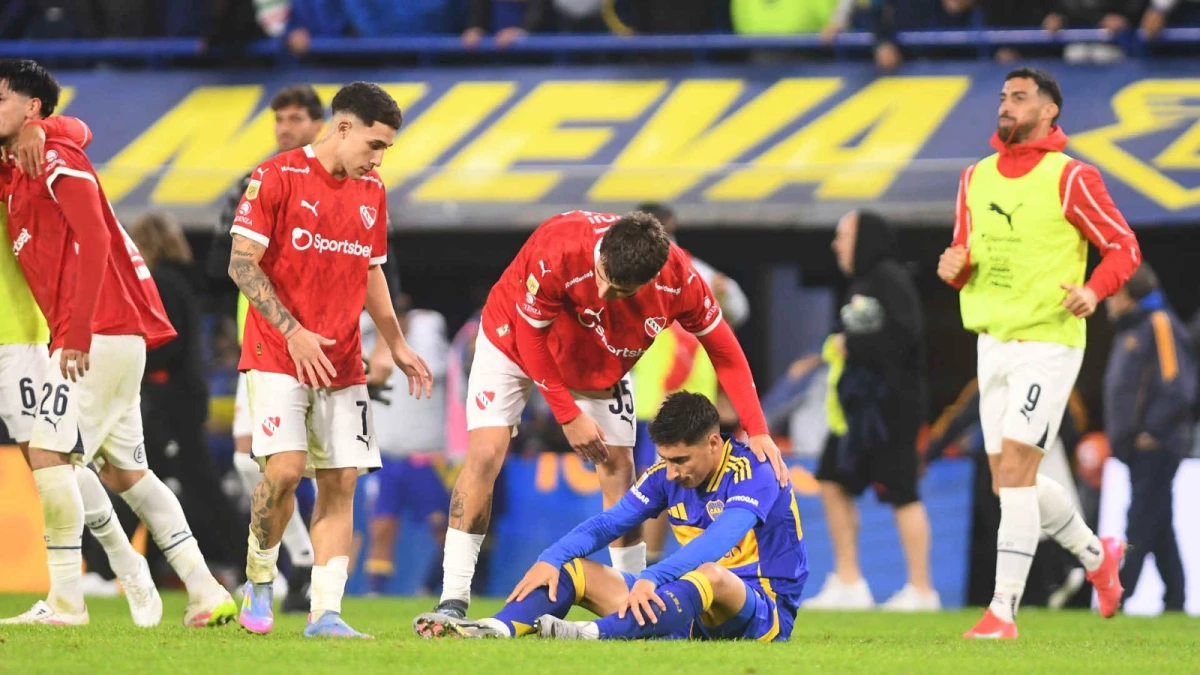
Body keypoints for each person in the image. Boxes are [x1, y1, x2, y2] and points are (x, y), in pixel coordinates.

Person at [431, 209, 787, 621]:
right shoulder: (559, 246)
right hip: (512, 341)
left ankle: (632, 601)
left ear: (651, 280)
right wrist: (567, 414)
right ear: (602, 251)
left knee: (618, 467)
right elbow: (532, 337)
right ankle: (452, 598)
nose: (602, 294)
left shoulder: (682, 281)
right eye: (601, 276)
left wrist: (757, 429)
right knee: (486, 454)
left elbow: (725, 351)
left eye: (618, 290)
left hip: (600, 361)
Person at [0, 59, 234, 627]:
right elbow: (74, 127)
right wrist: (46, 127)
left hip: (97, 332)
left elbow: (97, 232)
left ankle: (66, 602)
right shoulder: (19, 166)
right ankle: (204, 590)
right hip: (111, 337)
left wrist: (77, 331)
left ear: (31, 107)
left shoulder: (53, 157)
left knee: (49, 454)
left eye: (1, 98)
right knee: (130, 473)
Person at [937, 67, 1141, 639]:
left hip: (1047, 342)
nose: (1007, 105)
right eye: (1004, 97)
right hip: (992, 341)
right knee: (1008, 482)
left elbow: (1123, 246)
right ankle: (1099, 558)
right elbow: (964, 250)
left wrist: (1094, 290)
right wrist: (954, 267)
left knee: (1020, 472)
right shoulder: (974, 177)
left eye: (1020, 97)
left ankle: (1003, 611)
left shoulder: (1072, 178)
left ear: (1050, 111)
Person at [228, 81, 433, 639]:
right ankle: (260, 578)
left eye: (385, 148)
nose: (378, 158)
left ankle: (326, 612)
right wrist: (292, 331)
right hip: (277, 351)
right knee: (287, 470)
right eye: (374, 145)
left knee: (341, 479)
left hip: (341, 359)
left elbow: (371, 271)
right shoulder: (276, 177)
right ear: (342, 128)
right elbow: (242, 265)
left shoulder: (373, 190)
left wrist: (395, 343)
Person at [414, 391, 807, 642]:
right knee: (572, 569)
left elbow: (719, 541)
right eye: (665, 459)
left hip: (761, 612)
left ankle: (588, 634)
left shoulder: (757, 470)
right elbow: (607, 523)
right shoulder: (666, 475)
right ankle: (495, 629)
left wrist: (651, 577)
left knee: (711, 574)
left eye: (681, 460)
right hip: (686, 609)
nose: (671, 472)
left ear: (714, 442)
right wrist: (551, 556)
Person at [0, 111, 163, 626]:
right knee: (52, 460)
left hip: (17, 335)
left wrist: (41, 128)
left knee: (49, 459)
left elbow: (77, 128)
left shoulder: (17, 158)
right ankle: (123, 565)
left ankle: (118, 566)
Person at [208, 83, 325, 613]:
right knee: (248, 460)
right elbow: (220, 263)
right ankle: (296, 562)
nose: (285, 129)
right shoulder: (252, 182)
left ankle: (305, 571)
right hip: (260, 341)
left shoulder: (342, 183)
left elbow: (373, 266)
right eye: (279, 119)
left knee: (309, 466)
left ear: (320, 124)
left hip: (318, 343)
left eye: (296, 119)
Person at [804, 209, 938, 611]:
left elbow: (905, 336)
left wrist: (852, 345)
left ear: (864, 239)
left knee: (902, 492)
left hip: (890, 408)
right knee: (831, 479)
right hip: (855, 411)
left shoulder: (890, 278)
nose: (836, 244)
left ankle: (922, 590)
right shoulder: (860, 283)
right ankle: (849, 582)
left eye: (843, 235)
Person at [631, 202, 750, 566]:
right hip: (659, 396)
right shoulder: (695, 270)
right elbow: (738, 309)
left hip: (667, 397)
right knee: (674, 481)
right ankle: (687, 562)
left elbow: (686, 336)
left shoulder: (676, 268)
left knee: (662, 483)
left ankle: (655, 565)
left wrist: (673, 382)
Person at [130, 212, 245, 578]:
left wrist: (131, 359)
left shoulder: (161, 282)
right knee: (151, 484)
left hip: (170, 399)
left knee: (173, 488)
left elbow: (167, 343)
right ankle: (131, 568)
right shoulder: (180, 280)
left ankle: (253, 567)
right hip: (181, 396)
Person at [1103, 263, 1195, 612]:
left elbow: (1177, 385)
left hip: (1158, 444)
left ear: (1127, 295)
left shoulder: (1159, 323)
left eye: (1112, 290)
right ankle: (1175, 600)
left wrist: (1151, 432)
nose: (1107, 298)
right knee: (1158, 522)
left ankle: (1118, 598)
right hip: (1137, 446)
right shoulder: (1133, 329)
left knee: (1140, 519)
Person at [361, 293, 452, 596]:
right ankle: (376, 592)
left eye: (400, 315)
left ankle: (434, 586)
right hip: (385, 458)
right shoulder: (368, 343)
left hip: (425, 458)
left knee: (444, 528)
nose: (394, 320)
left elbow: (437, 368)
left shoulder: (428, 342)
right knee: (381, 528)